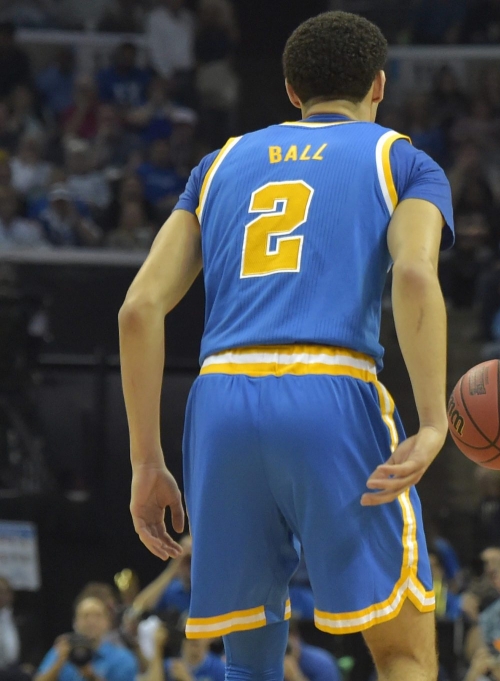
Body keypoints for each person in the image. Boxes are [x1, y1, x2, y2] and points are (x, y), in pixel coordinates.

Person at [118, 12, 454, 681]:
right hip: (329, 386)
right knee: (404, 649)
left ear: (291, 90)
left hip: (220, 399)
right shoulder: (401, 157)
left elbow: (137, 309)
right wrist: (434, 420)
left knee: (247, 660)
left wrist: (147, 462)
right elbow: (415, 274)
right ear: (379, 85)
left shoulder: (218, 165)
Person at [35, 597, 137, 681]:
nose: (91, 621)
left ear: (108, 623)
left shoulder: (122, 658)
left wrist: (91, 675)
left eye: (98, 616)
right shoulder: (59, 652)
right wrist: (59, 663)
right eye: (85, 616)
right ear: (75, 623)